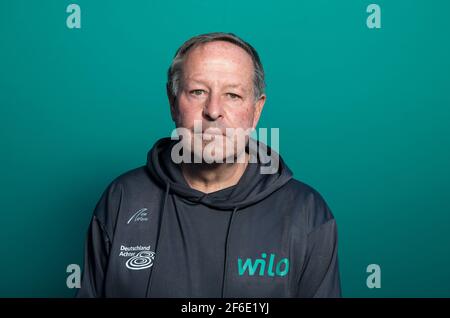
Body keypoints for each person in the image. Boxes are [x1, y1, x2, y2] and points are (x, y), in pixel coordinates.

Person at [77, 32, 341, 297]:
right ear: (173, 102)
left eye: (233, 95)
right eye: (198, 91)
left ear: (256, 110)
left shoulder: (306, 213)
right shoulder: (123, 198)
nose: (213, 111)